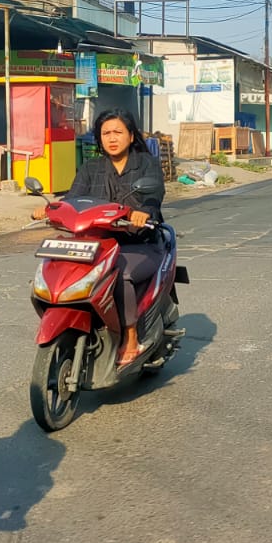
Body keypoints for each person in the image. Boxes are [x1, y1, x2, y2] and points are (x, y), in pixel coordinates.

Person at [33, 108, 165, 367]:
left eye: (118, 132)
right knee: (61, 271)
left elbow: (154, 196)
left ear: (130, 136)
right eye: (106, 133)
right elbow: (73, 198)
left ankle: (130, 336)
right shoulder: (91, 167)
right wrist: (50, 209)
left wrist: (143, 213)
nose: (112, 138)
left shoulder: (146, 164)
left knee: (120, 275)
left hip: (137, 242)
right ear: (99, 137)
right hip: (96, 243)